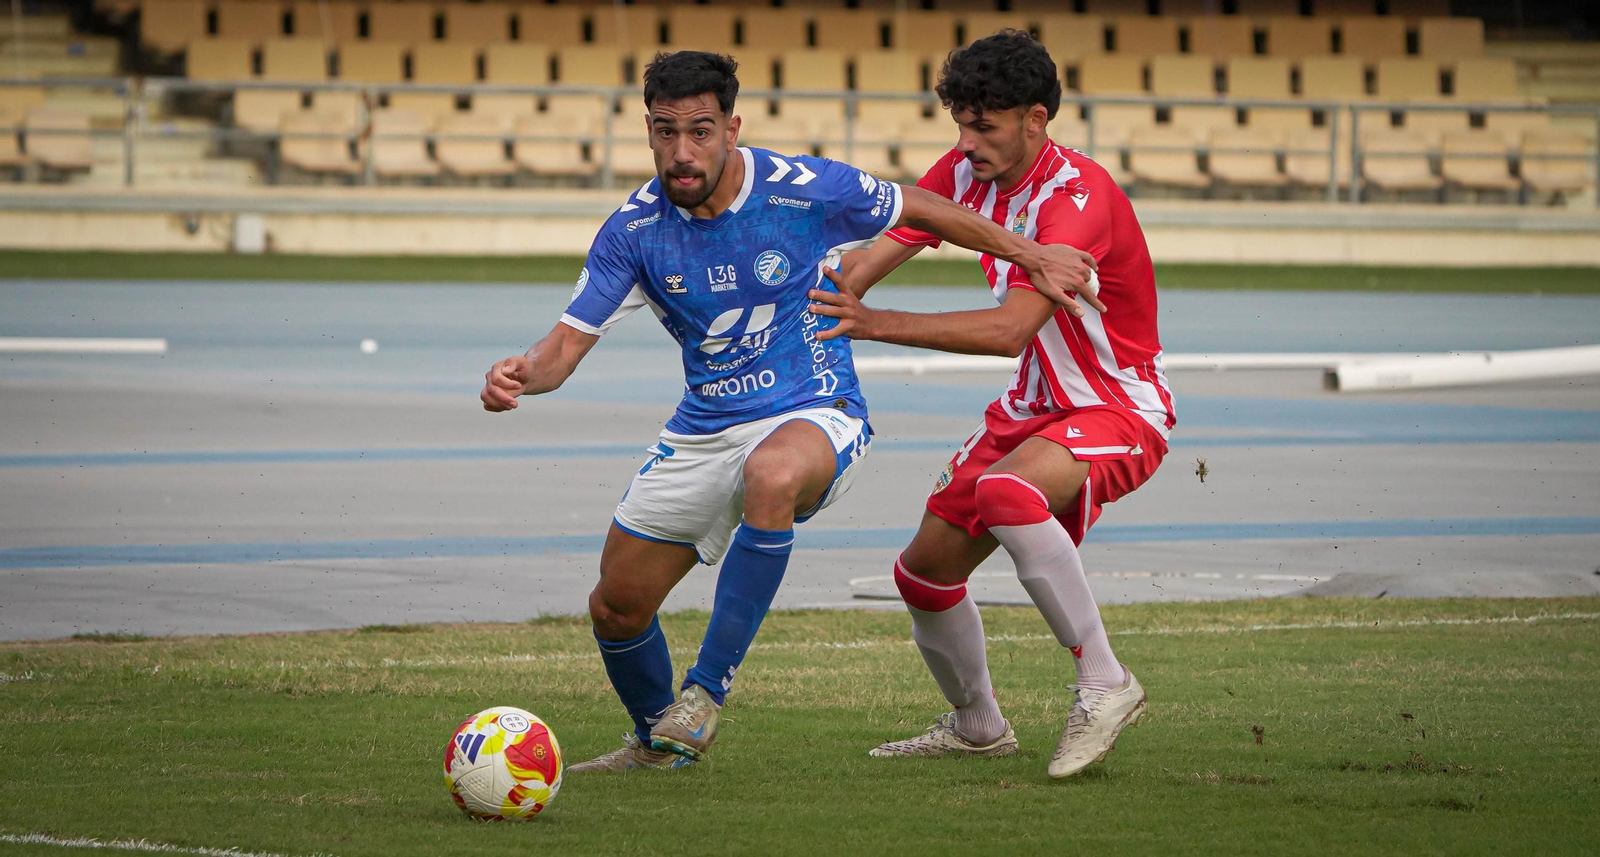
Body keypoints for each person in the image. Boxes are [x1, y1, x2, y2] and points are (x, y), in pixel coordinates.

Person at [479, 50, 1101, 772]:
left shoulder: (801, 188)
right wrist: (523, 373)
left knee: (772, 475)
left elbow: (919, 205)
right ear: (647, 131)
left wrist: (1030, 257)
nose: (682, 153)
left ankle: (704, 694)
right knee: (616, 605)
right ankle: (660, 743)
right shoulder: (634, 230)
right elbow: (564, 344)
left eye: (701, 131)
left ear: (732, 128)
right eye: (664, 132)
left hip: (816, 407)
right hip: (704, 425)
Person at [807, 30, 1175, 779]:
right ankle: (978, 725)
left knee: (1007, 491)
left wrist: (875, 325)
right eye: (961, 122)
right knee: (923, 575)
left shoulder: (1077, 201)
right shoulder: (964, 171)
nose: (967, 140)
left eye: (986, 124)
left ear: (1036, 119)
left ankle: (1106, 681)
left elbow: (1012, 329)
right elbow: (873, 259)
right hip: (1029, 406)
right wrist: (814, 289)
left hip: (1119, 407)